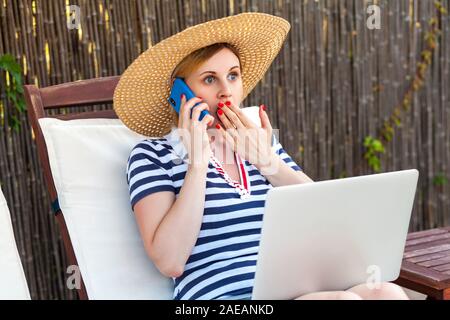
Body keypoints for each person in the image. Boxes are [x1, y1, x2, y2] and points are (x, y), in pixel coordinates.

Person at [113, 12, 409, 300]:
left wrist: (268, 161)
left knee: (387, 293)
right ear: (180, 93)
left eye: (232, 75)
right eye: (209, 79)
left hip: (297, 287)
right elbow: (170, 261)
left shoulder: (258, 142)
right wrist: (198, 163)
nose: (226, 91)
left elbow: (326, 217)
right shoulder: (152, 156)